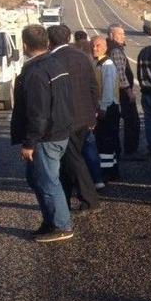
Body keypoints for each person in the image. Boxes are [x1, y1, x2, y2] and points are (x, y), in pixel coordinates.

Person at [10, 24, 74, 243]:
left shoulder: (36, 72)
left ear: (25, 45)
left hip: (46, 137)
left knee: (47, 181)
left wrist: (29, 142)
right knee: (36, 178)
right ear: (46, 42)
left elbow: (37, 112)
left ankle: (62, 225)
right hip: (58, 131)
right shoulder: (55, 64)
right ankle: (50, 220)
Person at [47, 25, 101, 213]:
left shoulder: (52, 60)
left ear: (50, 41)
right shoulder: (82, 57)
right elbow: (93, 86)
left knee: (73, 160)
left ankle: (90, 200)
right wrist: (94, 112)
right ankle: (66, 198)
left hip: (65, 119)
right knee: (69, 161)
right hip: (84, 118)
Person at [91, 35, 121, 182]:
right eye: (93, 45)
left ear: (105, 47)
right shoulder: (98, 63)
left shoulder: (107, 64)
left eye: (98, 46)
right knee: (106, 140)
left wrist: (103, 107)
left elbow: (108, 88)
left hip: (109, 107)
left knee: (105, 141)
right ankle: (113, 170)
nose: (94, 48)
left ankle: (107, 171)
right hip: (106, 107)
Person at [107, 24, 139, 158]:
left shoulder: (111, 48)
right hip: (122, 93)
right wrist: (129, 92)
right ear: (112, 36)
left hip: (116, 92)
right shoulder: (116, 51)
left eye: (123, 34)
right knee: (132, 121)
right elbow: (121, 74)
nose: (123, 36)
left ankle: (118, 149)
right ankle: (129, 150)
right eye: (120, 34)